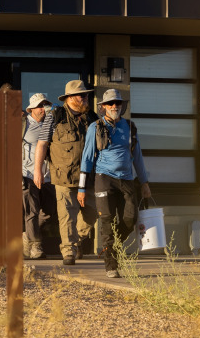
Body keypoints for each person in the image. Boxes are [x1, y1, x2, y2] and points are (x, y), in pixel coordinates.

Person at [78, 89, 151, 278]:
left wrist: (144, 183)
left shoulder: (129, 126)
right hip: (104, 179)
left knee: (130, 218)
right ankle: (111, 263)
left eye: (117, 103)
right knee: (107, 221)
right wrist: (82, 187)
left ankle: (112, 247)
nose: (114, 107)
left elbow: (138, 156)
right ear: (103, 107)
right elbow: (87, 158)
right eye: (110, 104)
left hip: (126, 179)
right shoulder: (95, 127)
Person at [34, 80, 99, 265]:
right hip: (64, 176)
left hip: (89, 177)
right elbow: (42, 144)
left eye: (86, 95)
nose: (85, 98)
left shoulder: (92, 117)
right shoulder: (55, 116)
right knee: (66, 216)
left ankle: (76, 241)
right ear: (70, 98)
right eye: (82, 95)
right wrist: (37, 171)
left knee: (93, 212)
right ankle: (68, 252)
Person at [22, 93, 56, 259]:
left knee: (49, 212)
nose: (43, 109)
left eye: (45, 105)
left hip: (48, 175)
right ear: (32, 109)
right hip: (27, 174)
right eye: (40, 106)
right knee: (32, 212)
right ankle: (36, 246)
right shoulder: (23, 124)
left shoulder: (51, 123)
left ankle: (28, 235)